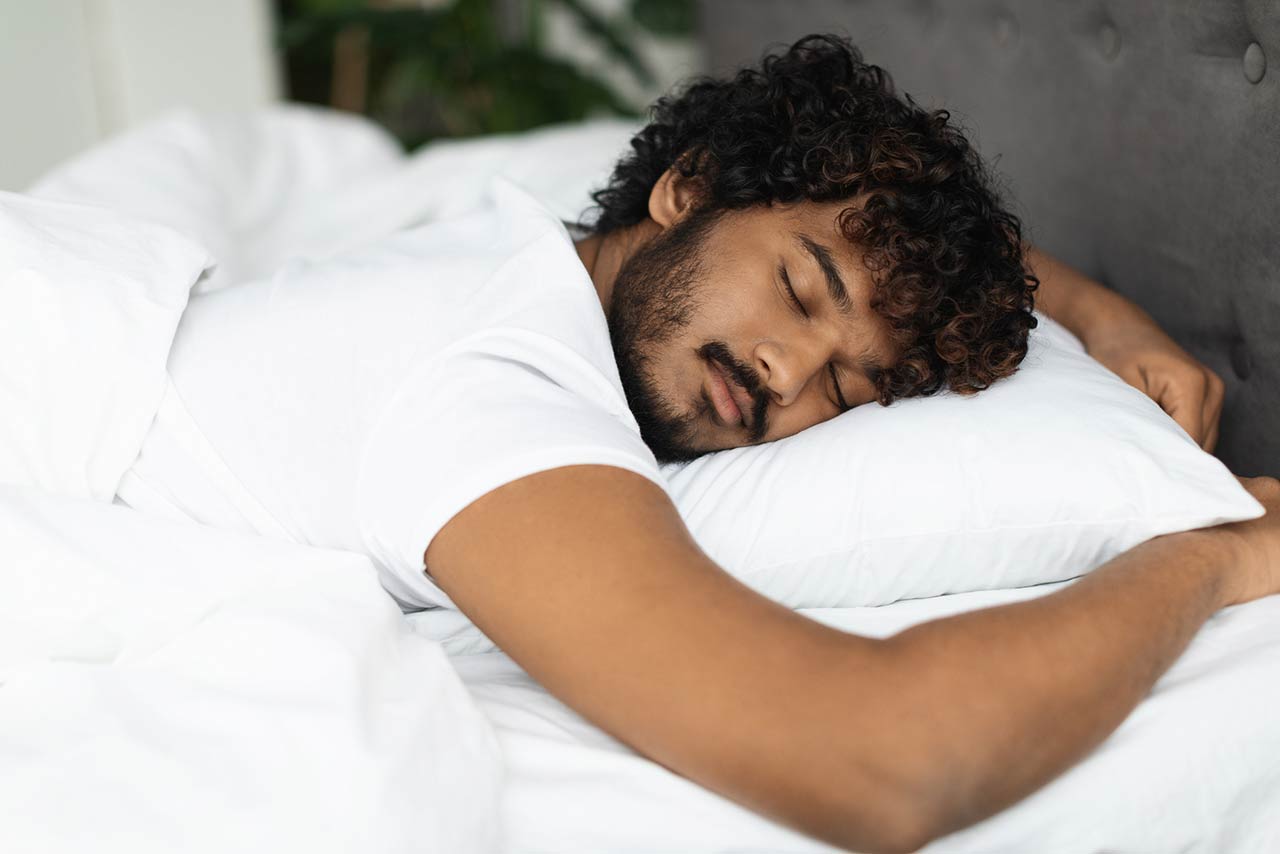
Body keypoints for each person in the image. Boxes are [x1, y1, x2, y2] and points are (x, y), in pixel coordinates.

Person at [114, 34, 1278, 853]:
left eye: (847, 384)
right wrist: (1210, 557)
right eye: (795, 286)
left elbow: (886, 265)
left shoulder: (570, 258)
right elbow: (879, 765)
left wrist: (1106, 319)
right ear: (685, 189)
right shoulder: (498, 398)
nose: (784, 369)